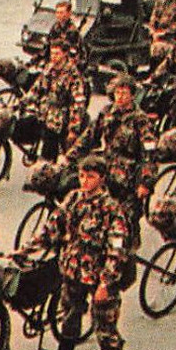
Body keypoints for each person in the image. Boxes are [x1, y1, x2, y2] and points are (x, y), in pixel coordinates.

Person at [21, 154, 130, 350]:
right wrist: (25, 251)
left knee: (105, 326)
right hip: (73, 269)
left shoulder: (112, 209)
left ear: (102, 179)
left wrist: (106, 283)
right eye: (81, 175)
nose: (84, 180)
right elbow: (51, 228)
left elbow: (117, 249)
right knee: (70, 313)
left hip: (99, 274)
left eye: (90, 176)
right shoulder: (73, 199)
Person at [64, 75, 156, 252]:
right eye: (117, 92)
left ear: (132, 95)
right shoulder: (106, 112)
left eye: (124, 92)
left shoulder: (140, 120)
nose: (120, 96)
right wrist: (71, 155)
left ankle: (128, 249)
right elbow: (90, 136)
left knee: (126, 216)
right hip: (106, 169)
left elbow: (150, 154)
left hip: (128, 176)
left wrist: (146, 183)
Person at [30, 41, 89, 160]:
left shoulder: (72, 75)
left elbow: (78, 103)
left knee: (63, 157)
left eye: (57, 53)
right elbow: (36, 88)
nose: (53, 56)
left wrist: (73, 129)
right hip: (47, 116)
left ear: (65, 54)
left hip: (63, 120)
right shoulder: (49, 68)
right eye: (52, 53)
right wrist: (21, 103)